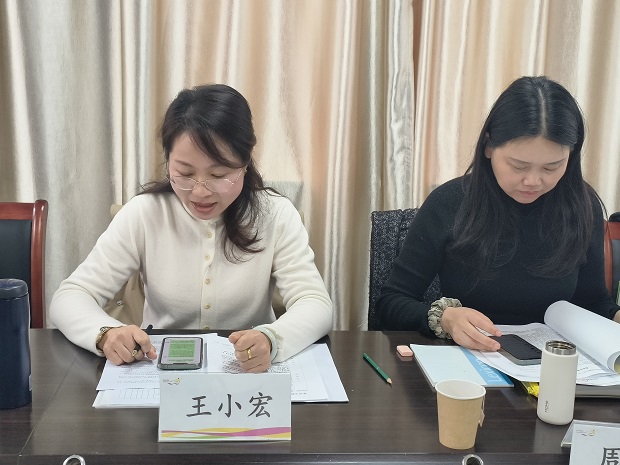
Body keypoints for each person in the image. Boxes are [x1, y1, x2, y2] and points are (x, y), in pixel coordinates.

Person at [50, 84, 333, 372]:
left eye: (218, 175)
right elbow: (70, 296)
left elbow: (315, 302)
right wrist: (106, 334)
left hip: (245, 376)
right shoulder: (145, 213)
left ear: (245, 162)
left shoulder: (276, 214)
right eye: (184, 173)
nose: (200, 192)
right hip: (158, 372)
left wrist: (272, 339)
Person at [377, 76, 620, 351]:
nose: (533, 181)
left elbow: (594, 302)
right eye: (518, 166)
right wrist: (443, 319)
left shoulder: (581, 206)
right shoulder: (449, 203)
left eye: (551, 167)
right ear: (489, 146)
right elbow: (391, 302)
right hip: (470, 361)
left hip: (553, 362)